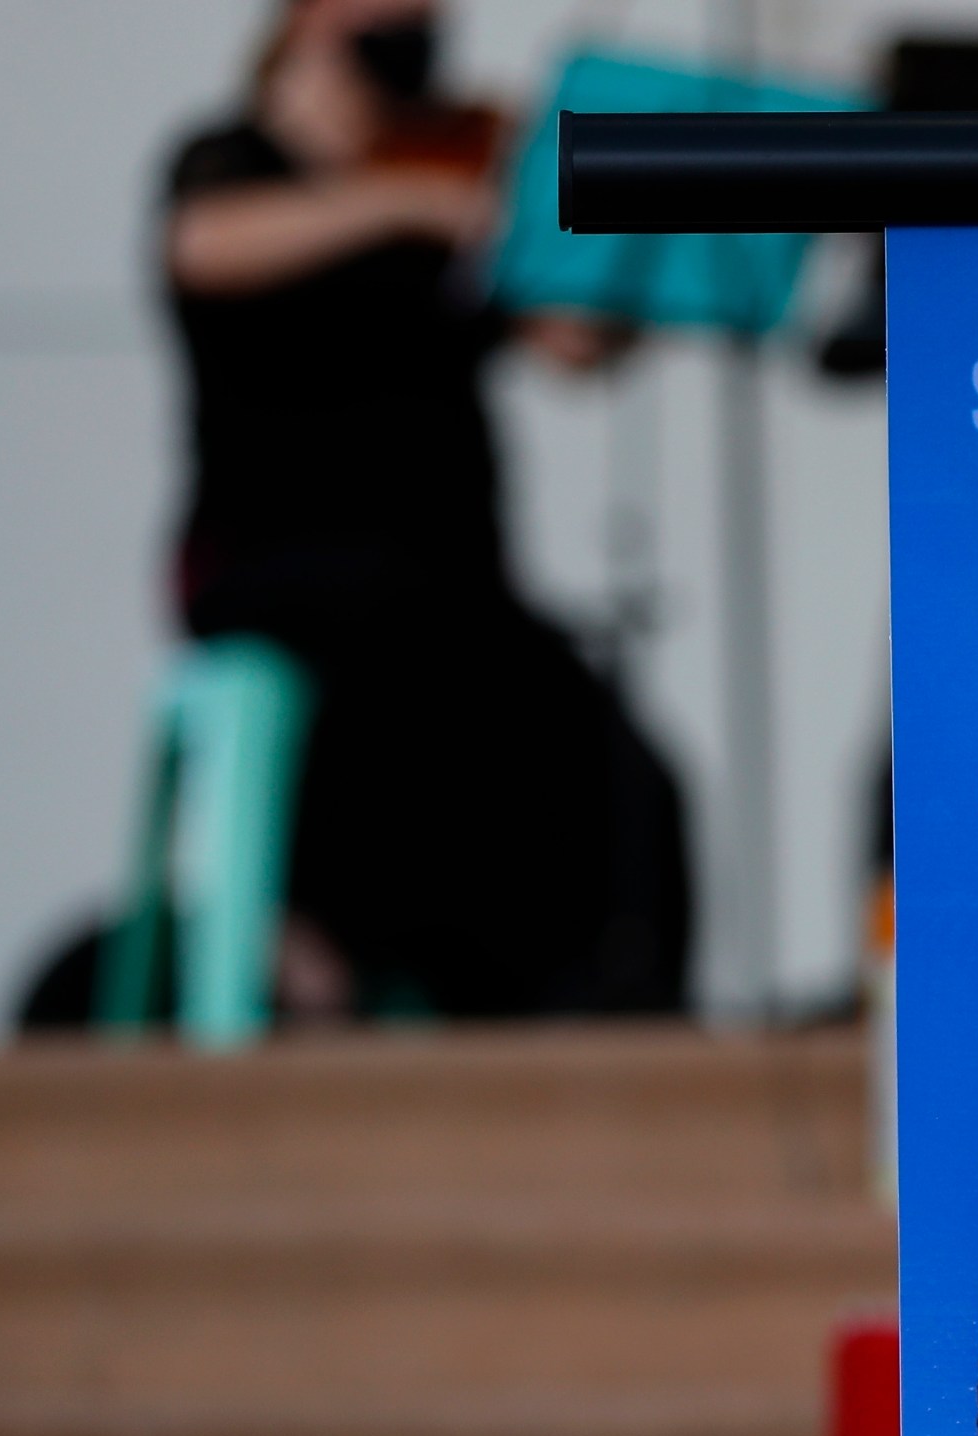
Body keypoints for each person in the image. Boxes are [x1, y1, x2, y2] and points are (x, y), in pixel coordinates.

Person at [159, 0, 689, 1018]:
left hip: (451, 578)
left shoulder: (459, 158)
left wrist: (606, 243)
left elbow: (570, 339)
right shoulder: (233, 158)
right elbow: (201, 245)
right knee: (414, 705)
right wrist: (408, 201)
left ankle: (586, 1010)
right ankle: (338, 960)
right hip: (280, 568)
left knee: (624, 774)